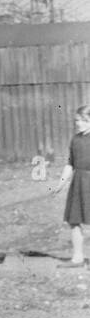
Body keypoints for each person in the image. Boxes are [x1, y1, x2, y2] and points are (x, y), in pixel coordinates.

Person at [53, 104, 90, 268]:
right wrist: (61, 183)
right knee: (74, 220)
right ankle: (78, 257)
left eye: (82, 120)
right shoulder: (75, 139)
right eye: (76, 120)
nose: (78, 123)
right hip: (78, 182)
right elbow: (70, 164)